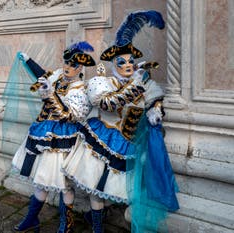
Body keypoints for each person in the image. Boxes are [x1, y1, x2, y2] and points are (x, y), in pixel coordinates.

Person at [62, 10, 179, 233]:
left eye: (131, 61)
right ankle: (97, 228)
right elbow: (107, 104)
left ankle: (95, 216)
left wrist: (155, 109)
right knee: (96, 189)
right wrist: (134, 86)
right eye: (121, 61)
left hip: (127, 145)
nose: (127, 64)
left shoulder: (143, 84)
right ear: (114, 63)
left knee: (115, 191)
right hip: (103, 137)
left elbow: (155, 97)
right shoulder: (102, 82)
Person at [11, 41, 96, 233]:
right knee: (42, 180)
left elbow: (68, 115)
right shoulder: (58, 75)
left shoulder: (81, 89)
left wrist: (50, 94)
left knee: (64, 185)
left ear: (80, 67)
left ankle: (67, 226)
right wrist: (29, 60)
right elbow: (43, 75)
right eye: (66, 62)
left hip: (64, 141)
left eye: (73, 65)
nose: (67, 67)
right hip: (44, 136)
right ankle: (32, 219)